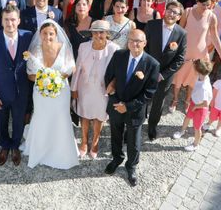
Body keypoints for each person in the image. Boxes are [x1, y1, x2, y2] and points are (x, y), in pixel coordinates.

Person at [103, 29, 159, 186]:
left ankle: (131, 166)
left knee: (134, 140)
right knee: (115, 134)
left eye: (138, 41)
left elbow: (149, 93)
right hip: (116, 104)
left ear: (144, 43)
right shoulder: (119, 55)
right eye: (131, 40)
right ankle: (116, 158)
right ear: (127, 42)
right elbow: (109, 77)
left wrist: (127, 107)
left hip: (135, 110)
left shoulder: (152, 64)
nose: (134, 44)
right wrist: (115, 100)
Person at [22, 19, 79, 169]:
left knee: (60, 118)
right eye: (45, 33)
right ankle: (40, 149)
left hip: (61, 91)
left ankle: (61, 150)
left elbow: (72, 68)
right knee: (42, 117)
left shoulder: (64, 47)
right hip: (41, 92)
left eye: (51, 34)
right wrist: (44, 78)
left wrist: (57, 78)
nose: (48, 36)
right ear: (40, 34)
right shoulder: (35, 51)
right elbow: (29, 75)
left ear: (56, 34)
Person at [0, 4, 33, 166]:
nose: (10, 23)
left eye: (13, 20)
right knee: (1, 121)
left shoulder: (28, 37)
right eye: (6, 20)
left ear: (18, 20)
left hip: (21, 92)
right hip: (1, 92)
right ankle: (4, 145)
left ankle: (15, 145)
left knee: (19, 120)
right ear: (1, 21)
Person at [171, 0, 221, 111]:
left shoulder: (211, 16)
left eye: (209, 5)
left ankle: (187, 100)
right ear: (197, 2)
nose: (206, 7)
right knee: (178, 77)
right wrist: (174, 47)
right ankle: (175, 99)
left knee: (193, 78)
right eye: (204, 4)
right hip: (185, 50)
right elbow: (179, 31)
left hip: (200, 53)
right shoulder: (187, 12)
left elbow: (215, 37)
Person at [71, 20, 119, 159]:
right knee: (84, 115)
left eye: (102, 32)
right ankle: (84, 142)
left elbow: (117, 71)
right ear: (91, 33)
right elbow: (77, 68)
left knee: (99, 116)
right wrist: (74, 88)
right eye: (95, 31)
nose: (98, 35)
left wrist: (113, 85)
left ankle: (95, 142)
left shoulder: (114, 48)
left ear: (107, 34)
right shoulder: (83, 46)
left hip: (103, 89)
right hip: (84, 87)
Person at [144, 1, 187, 140]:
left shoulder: (182, 34)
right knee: (141, 98)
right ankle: (135, 125)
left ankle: (152, 126)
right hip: (146, 71)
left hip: (165, 76)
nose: (171, 14)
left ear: (179, 17)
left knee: (158, 102)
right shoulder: (152, 25)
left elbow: (180, 59)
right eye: (169, 10)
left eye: (175, 12)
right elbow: (143, 49)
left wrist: (163, 75)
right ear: (165, 11)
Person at [172, 59, 213, 151]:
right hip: (195, 103)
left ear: (198, 71)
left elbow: (206, 103)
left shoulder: (204, 88)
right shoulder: (203, 76)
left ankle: (195, 144)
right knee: (187, 117)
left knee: (197, 127)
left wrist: (196, 107)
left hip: (200, 107)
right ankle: (182, 131)